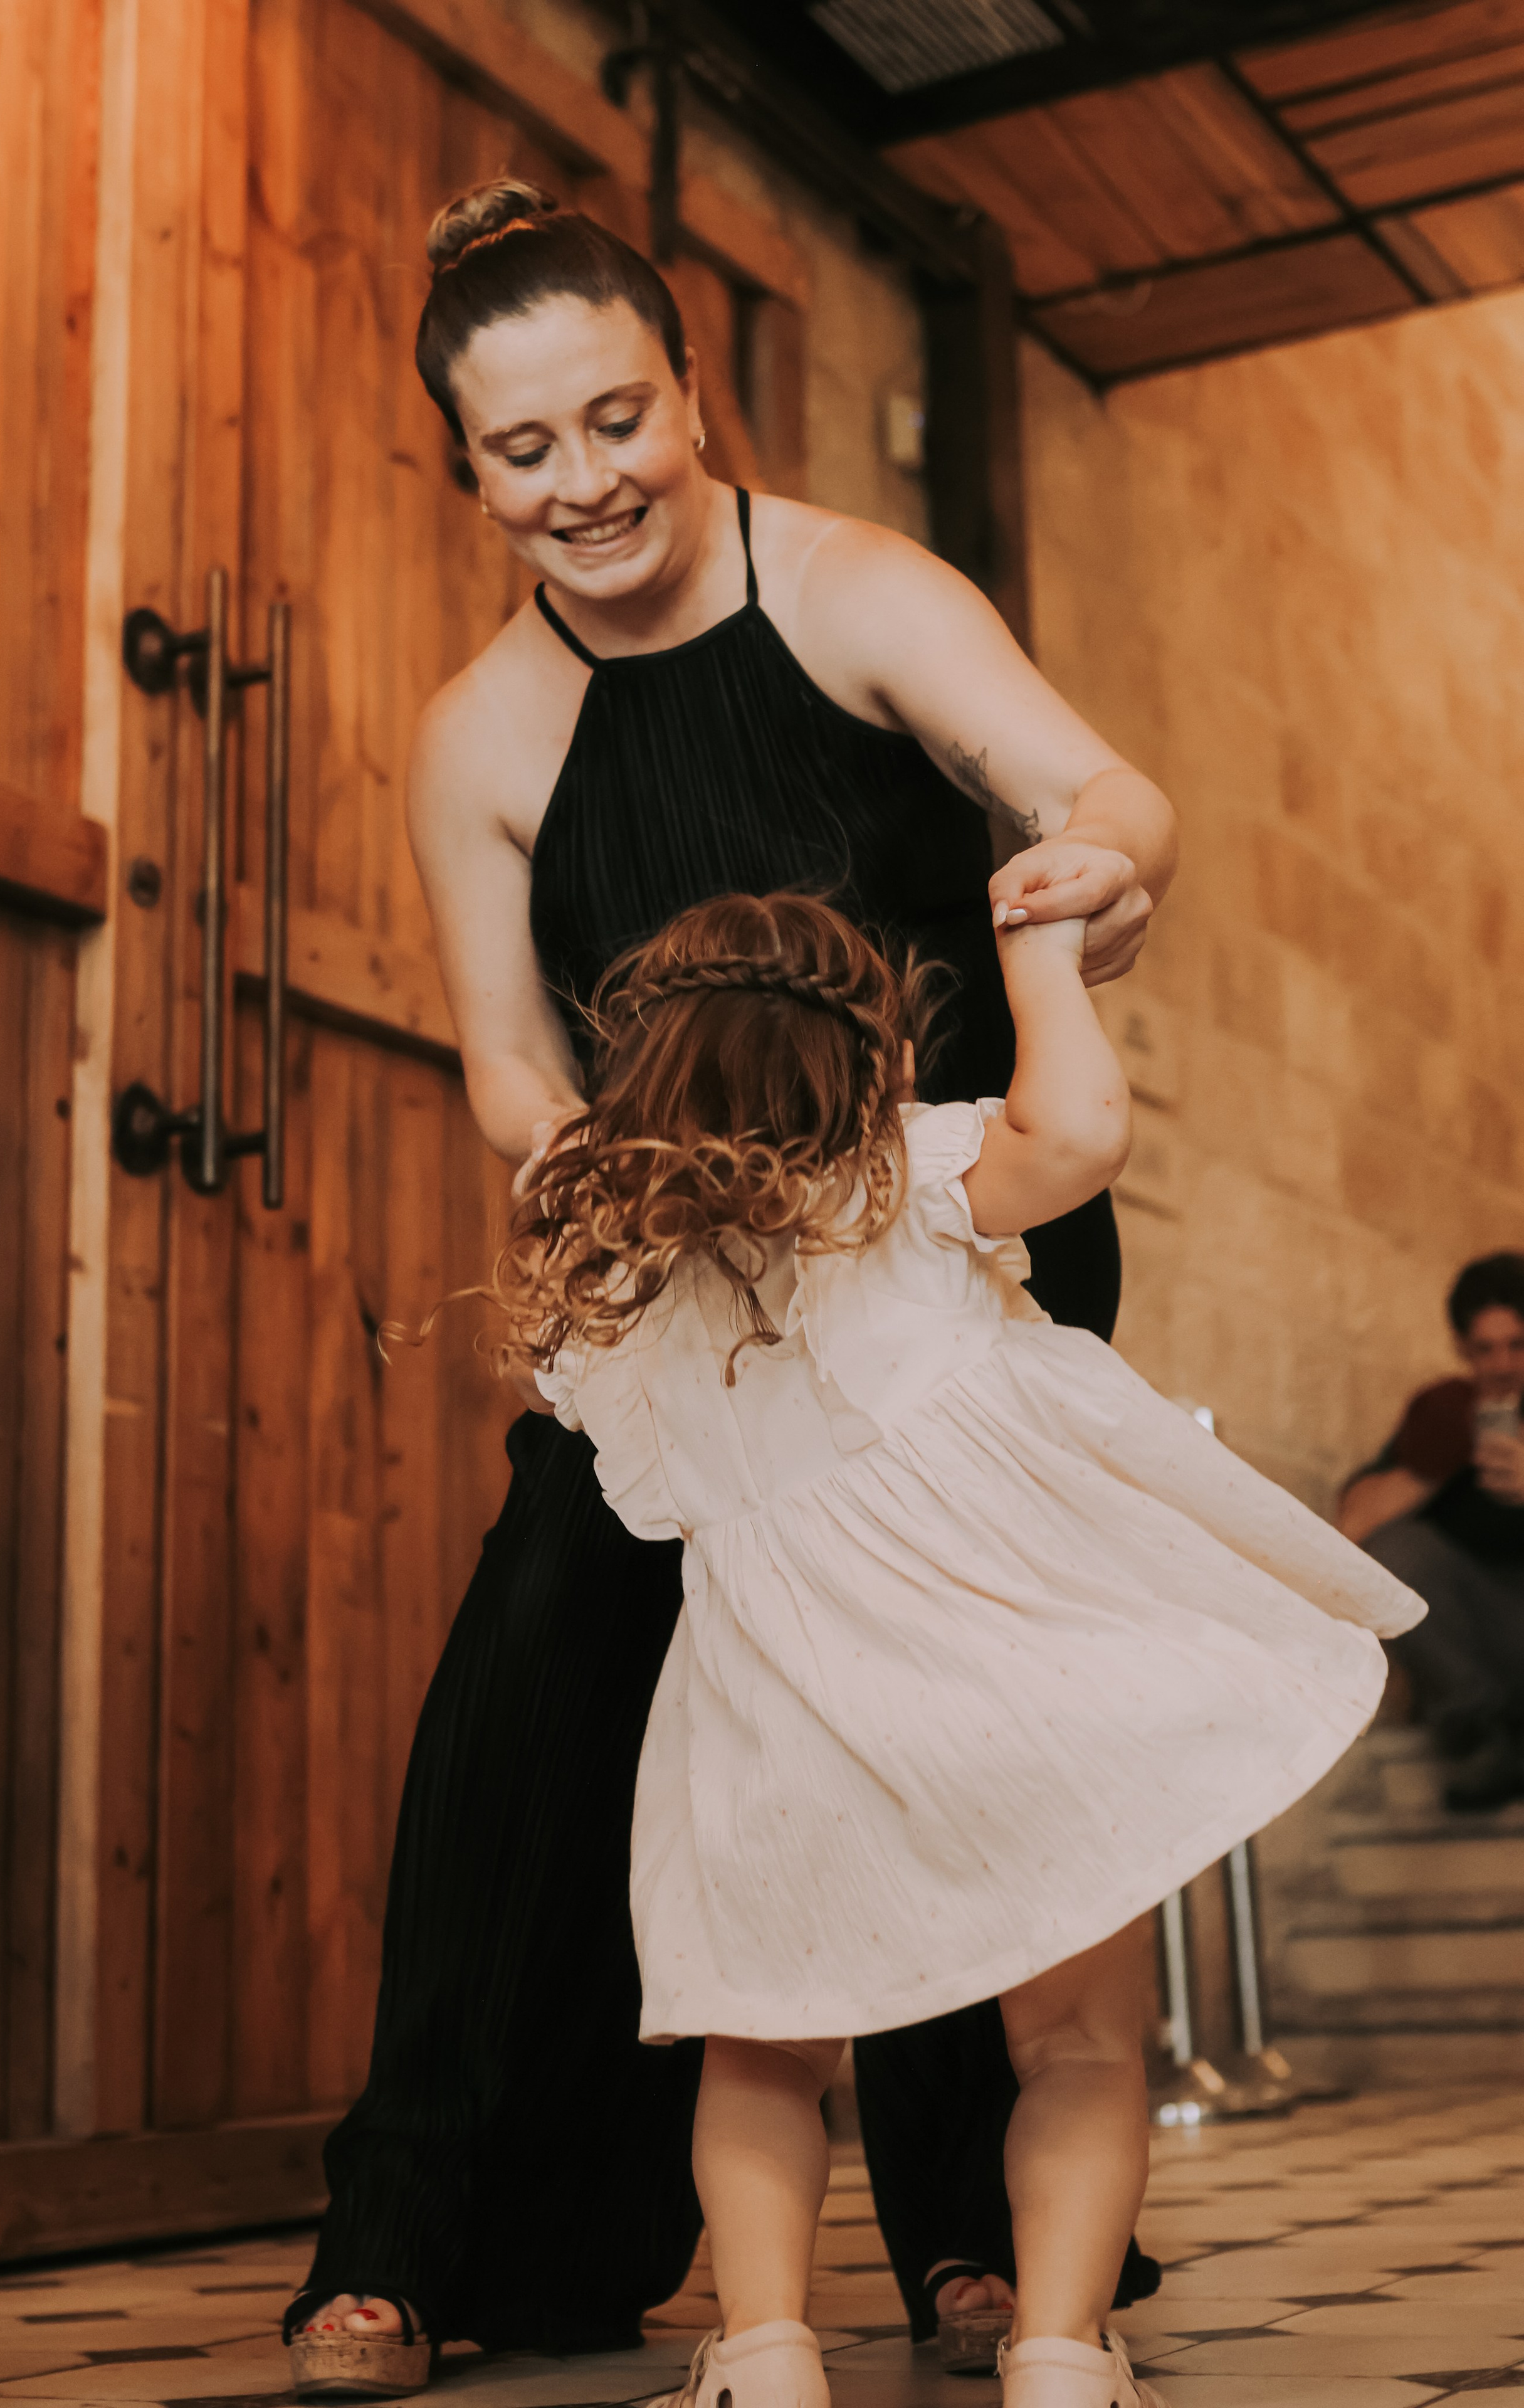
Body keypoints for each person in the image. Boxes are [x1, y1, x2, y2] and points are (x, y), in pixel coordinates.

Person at [286, 177, 1179, 2399]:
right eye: (525, 449)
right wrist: (617, 1175)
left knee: (957, 1726)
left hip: (949, 1268)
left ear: (697, 393)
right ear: (468, 467)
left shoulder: (857, 590)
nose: (583, 480)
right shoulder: (479, 732)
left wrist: (1101, 857)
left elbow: (1090, 781)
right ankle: (424, 2240)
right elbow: (506, 1056)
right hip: (675, 1297)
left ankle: (977, 2247)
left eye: (617, 417)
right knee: (534, 1697)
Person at [494, 889, 1421, 2408]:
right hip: (1019, 1688)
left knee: (764, 2056)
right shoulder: (905, 1173)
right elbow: (1080, 1131)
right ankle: (1057, 2348)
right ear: (876, 1058)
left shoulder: (617, 1281)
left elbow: (640, 1492)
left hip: (772, 1715)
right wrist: (1040, 960)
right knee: (1073, 2047)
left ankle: (769, 2349)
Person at [1340, 1254, 1524, 1812]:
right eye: (1484, 1348)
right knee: (1395, 1552)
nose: (1501, 1365)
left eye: (1517, 1345)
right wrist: (1436, 1458)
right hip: (1482, 1643)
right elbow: (1352, 1530)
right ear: (1463, 1351)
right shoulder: (1447, 1415)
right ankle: (1483, 1730)